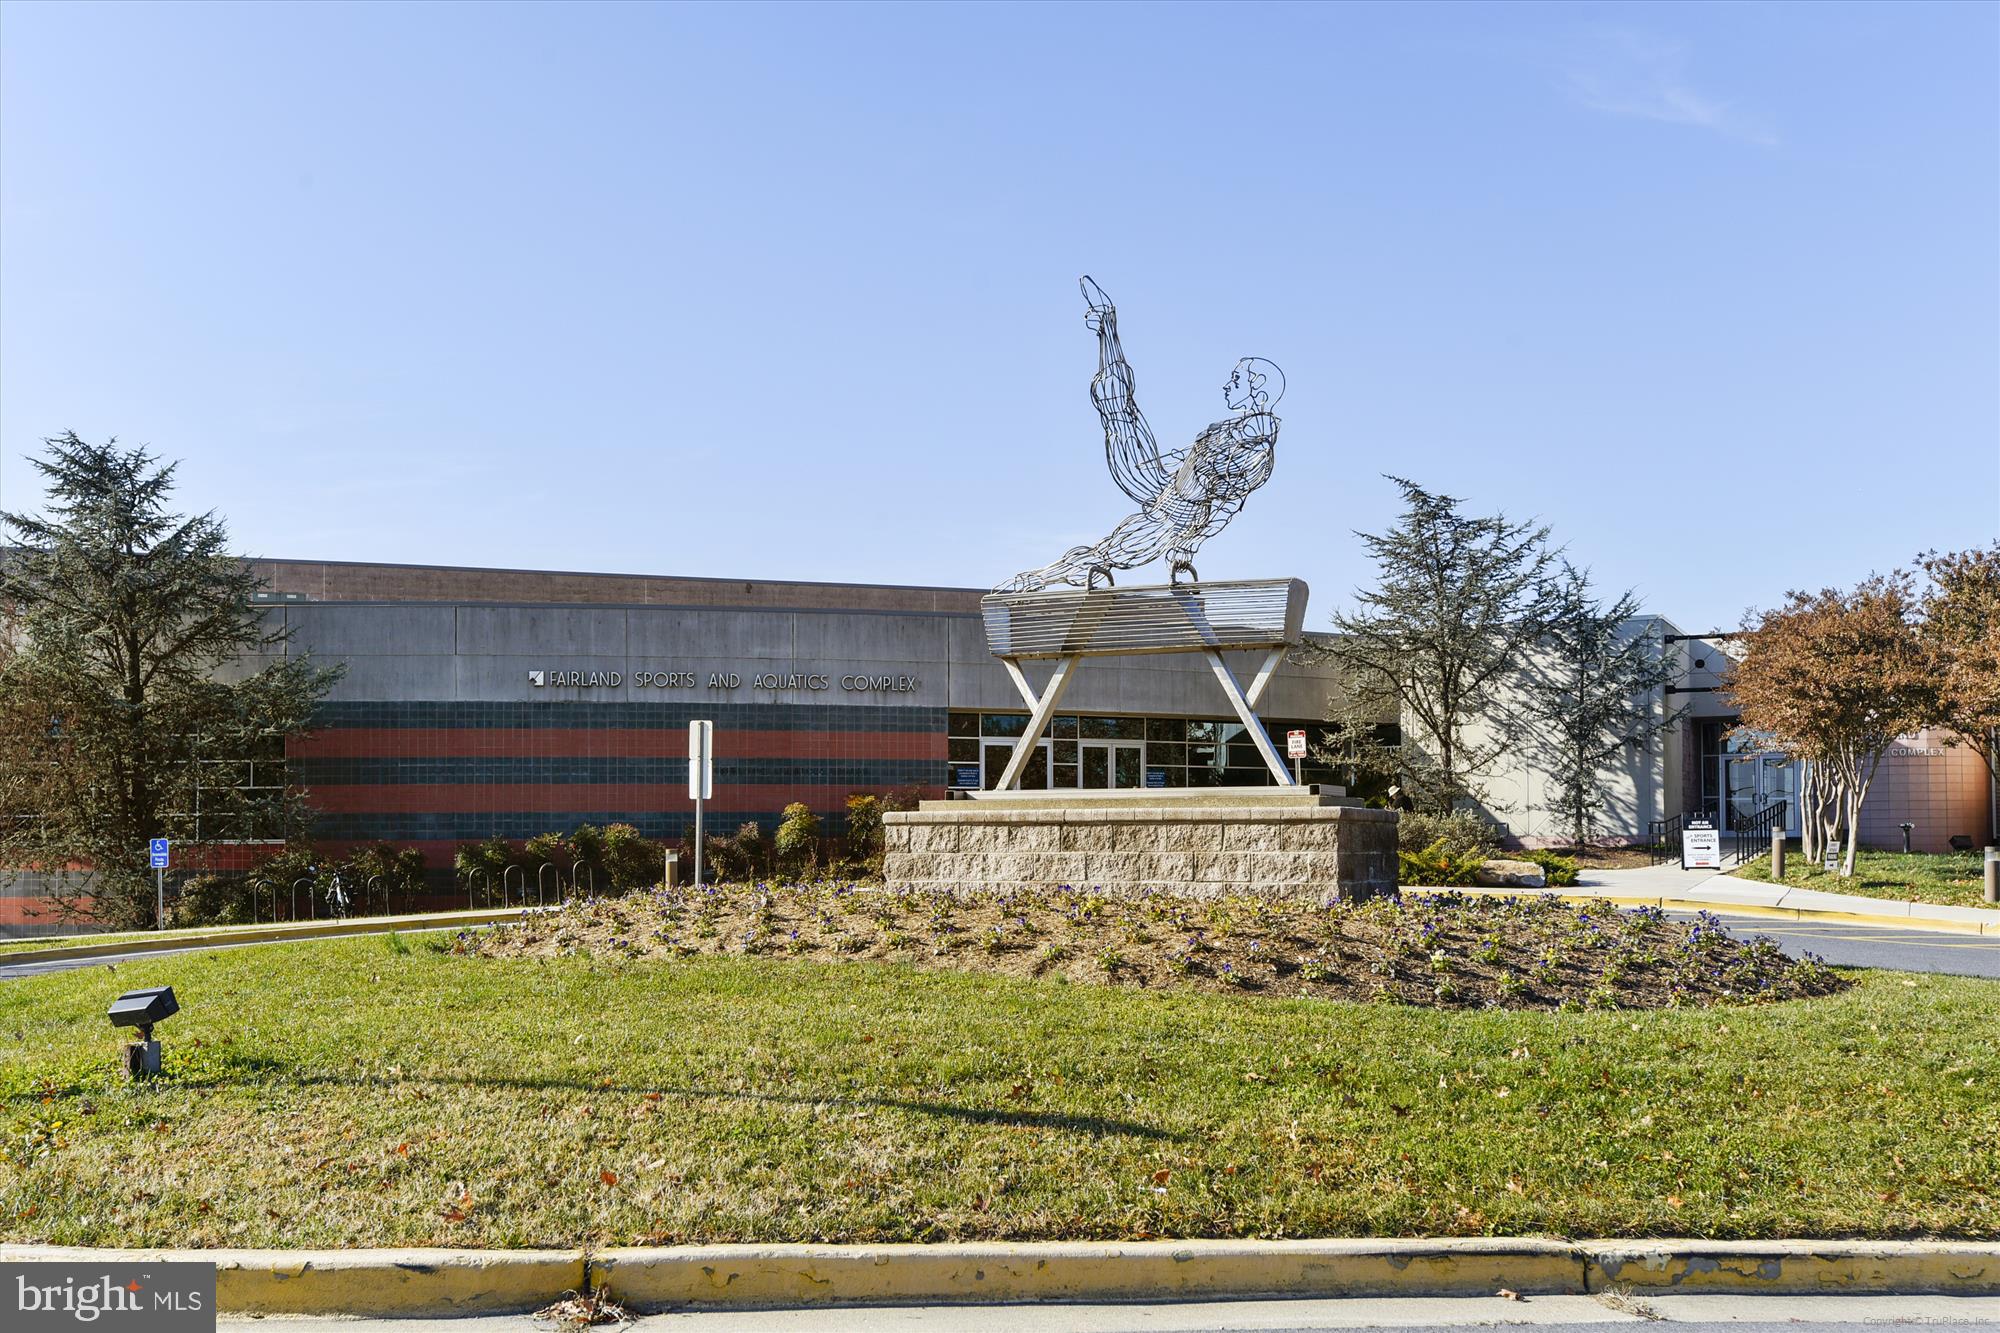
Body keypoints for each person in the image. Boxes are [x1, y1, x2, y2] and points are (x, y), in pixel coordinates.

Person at [998, 278, 1283, 593]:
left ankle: (1035, 581)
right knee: (1115, 403)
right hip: (1161, 484)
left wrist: (1190, 542)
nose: (1227, 386)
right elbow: (1191, 460)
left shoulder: (1257, 454)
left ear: (1257, 387)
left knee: (1102, 555)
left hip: (1174, 519)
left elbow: (1226, 505)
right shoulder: (1226, 429)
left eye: (1237, 380)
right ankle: (1107, 324)